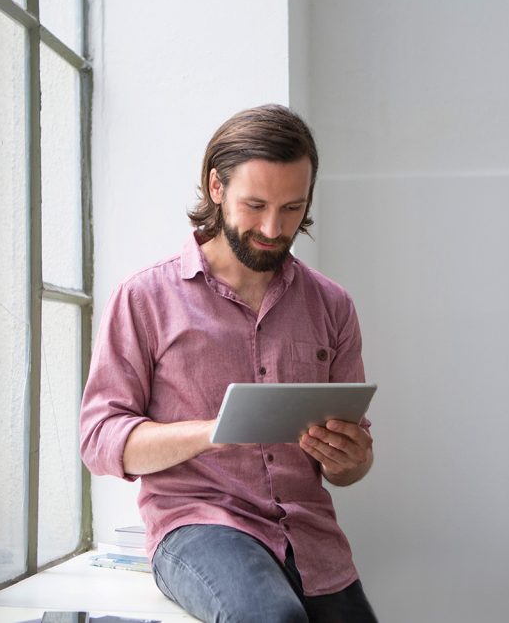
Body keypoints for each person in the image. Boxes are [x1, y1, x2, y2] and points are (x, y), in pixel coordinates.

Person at [79, 104, 377, 622]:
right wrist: (215, 430)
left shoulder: (333, 306)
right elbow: (100, 440)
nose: (273, 226)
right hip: (200, 525)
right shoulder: (145, 297)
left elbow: (348, 470)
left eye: (291, 208)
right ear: (216, 188)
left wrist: (350, 458)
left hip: (310, 539)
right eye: (255, 204)